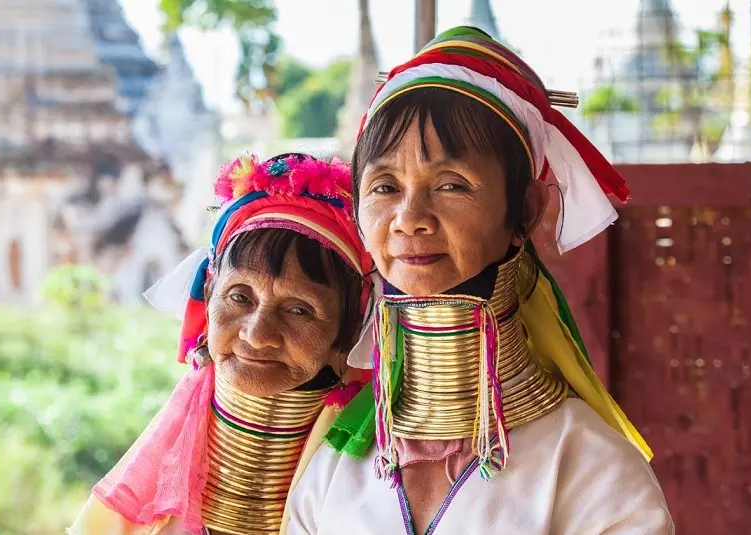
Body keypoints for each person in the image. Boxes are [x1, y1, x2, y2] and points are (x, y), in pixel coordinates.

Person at [284, 27, 674, 534]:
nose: (408, 217)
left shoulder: (590, 470)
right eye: (384, 186)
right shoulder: (335, 467)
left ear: (526, 211)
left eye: (451, 185)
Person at [69, 153, 373, 535]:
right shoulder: (134, 513)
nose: (256, 334)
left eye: (299, 310)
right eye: (239, 297)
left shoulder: (375, 495)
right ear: (208, 293)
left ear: (349, 331)